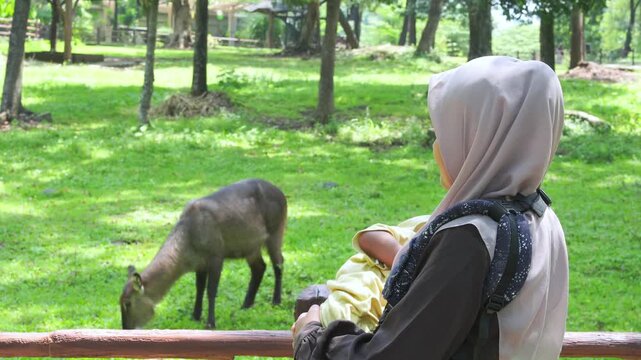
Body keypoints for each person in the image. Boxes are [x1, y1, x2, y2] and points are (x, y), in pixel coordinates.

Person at [292, 56, 568, 360]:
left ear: (481, 139)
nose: (438, 146)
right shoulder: (541, 218)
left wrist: (312, 335)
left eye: (448, 131)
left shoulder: (470, 239)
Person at [319, 215, 430, 332]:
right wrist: (412, 267)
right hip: (356, 299)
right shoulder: (429, 229)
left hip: (385, 325)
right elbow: (369, 238)